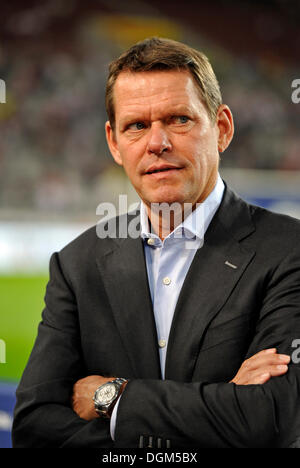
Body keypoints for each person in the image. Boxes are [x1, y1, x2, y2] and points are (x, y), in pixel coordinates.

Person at [12, 37, 300, 448]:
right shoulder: (77, 265)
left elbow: (272, 417)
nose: (157, 143)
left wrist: (110, 396)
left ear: (221, 128)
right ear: (114, 142)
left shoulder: (289, 249)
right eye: (137, 126)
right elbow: (34, 425)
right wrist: (222, 409)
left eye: (178, 119)